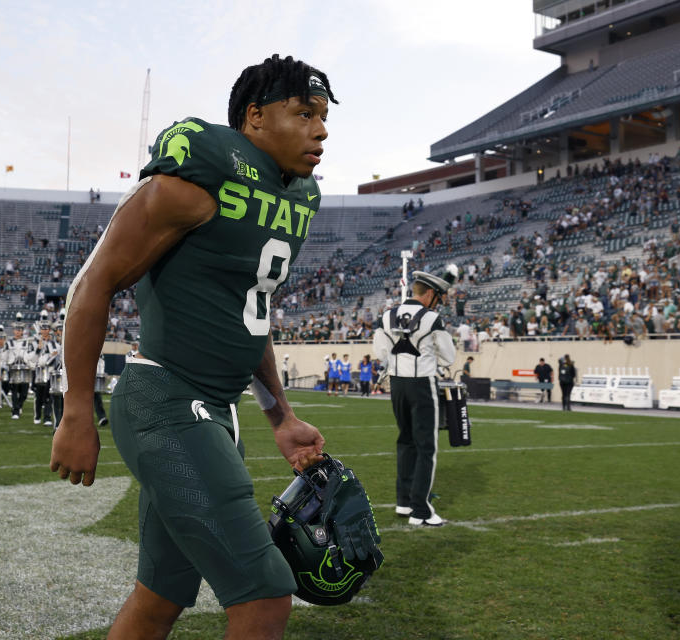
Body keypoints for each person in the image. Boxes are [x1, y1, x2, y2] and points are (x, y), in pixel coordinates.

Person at [50, 54, 339, 640]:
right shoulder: (202, 170)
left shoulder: (300, 197)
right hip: (165, 398)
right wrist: (77, 405)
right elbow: (95, 281)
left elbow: (247, 316)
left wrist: (280, 415)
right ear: (254, 117)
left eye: (324, 116)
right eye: (304, 113)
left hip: (214, 410)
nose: (321, 129)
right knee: (266, 596)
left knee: (161, 596)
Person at [373, 268, 456, 527]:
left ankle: (404, 500)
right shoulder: (432, 318)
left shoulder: (386, 316)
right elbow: (449, 357)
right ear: (430, 294)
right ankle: (420, 509)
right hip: (422, 385)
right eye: (438, 297)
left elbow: (380, 352)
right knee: (426, 447)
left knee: (405, 442)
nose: (438, 302)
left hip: (397, 384)